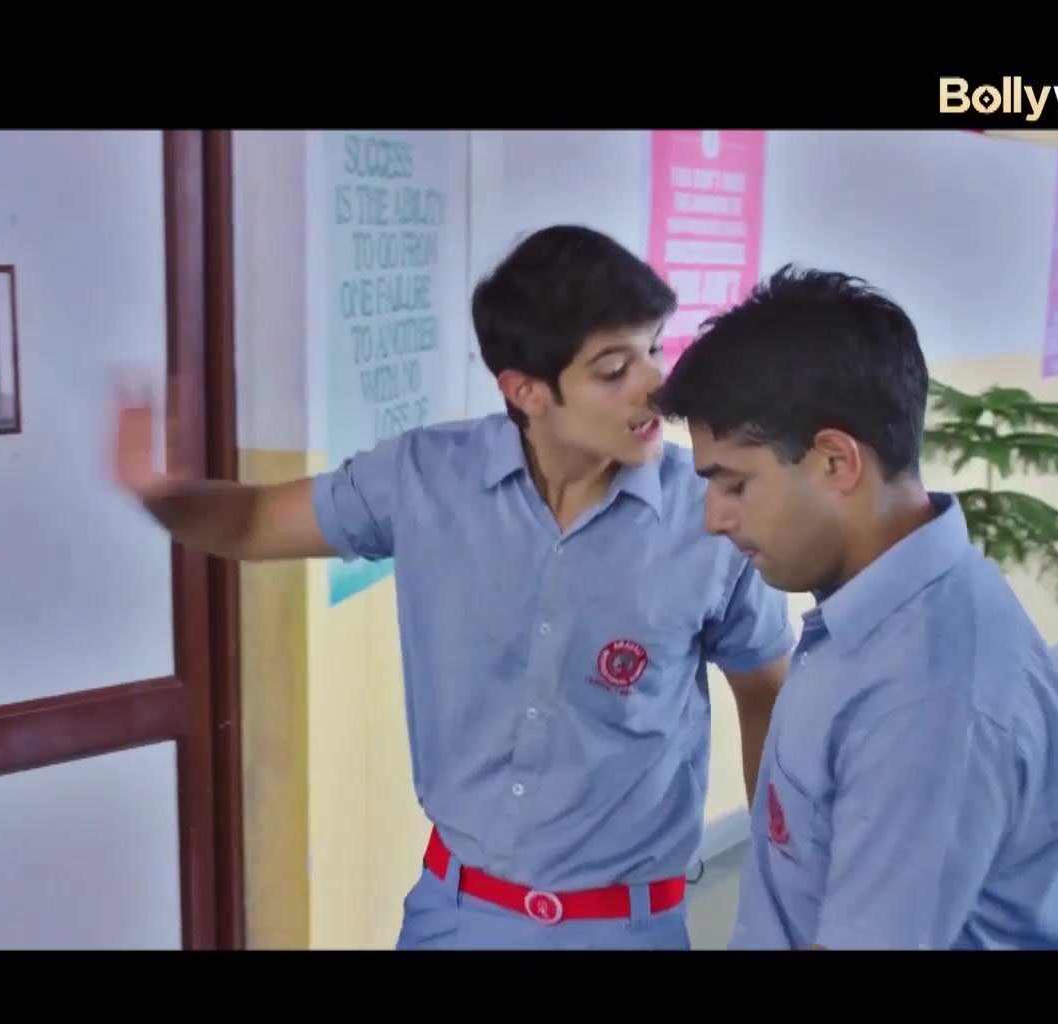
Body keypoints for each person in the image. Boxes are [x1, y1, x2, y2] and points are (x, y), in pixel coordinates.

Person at [111, 224, 793, 949]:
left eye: (655, 348)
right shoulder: (425, 479)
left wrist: (784, 899)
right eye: (613, 368)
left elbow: (768, 698)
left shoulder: (709, 514)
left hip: (628, 927)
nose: (656, 383)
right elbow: (253, 524)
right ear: (526, 391)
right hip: (456, 916)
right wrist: (162, 496)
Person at [656, 265, 1058, 950]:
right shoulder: (869, 614)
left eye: (734, 484)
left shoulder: (930, 695)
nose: (714, 519)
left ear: (836, 462)